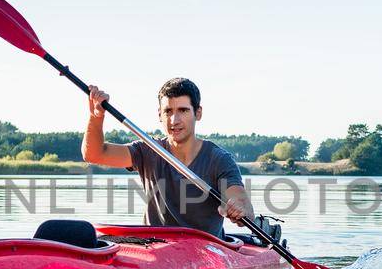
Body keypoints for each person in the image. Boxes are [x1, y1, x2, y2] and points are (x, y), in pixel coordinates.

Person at [82, 77, 274, 242]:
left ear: (198, 113)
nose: (174, 120)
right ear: (159, 115)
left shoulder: (219, 159)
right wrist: (96, 116)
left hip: (206, 250)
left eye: (183, 110)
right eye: (168, 111)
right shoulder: (148, 151)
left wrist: (239, 209)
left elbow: (242, 203)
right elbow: (94, 154)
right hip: (157, 247)